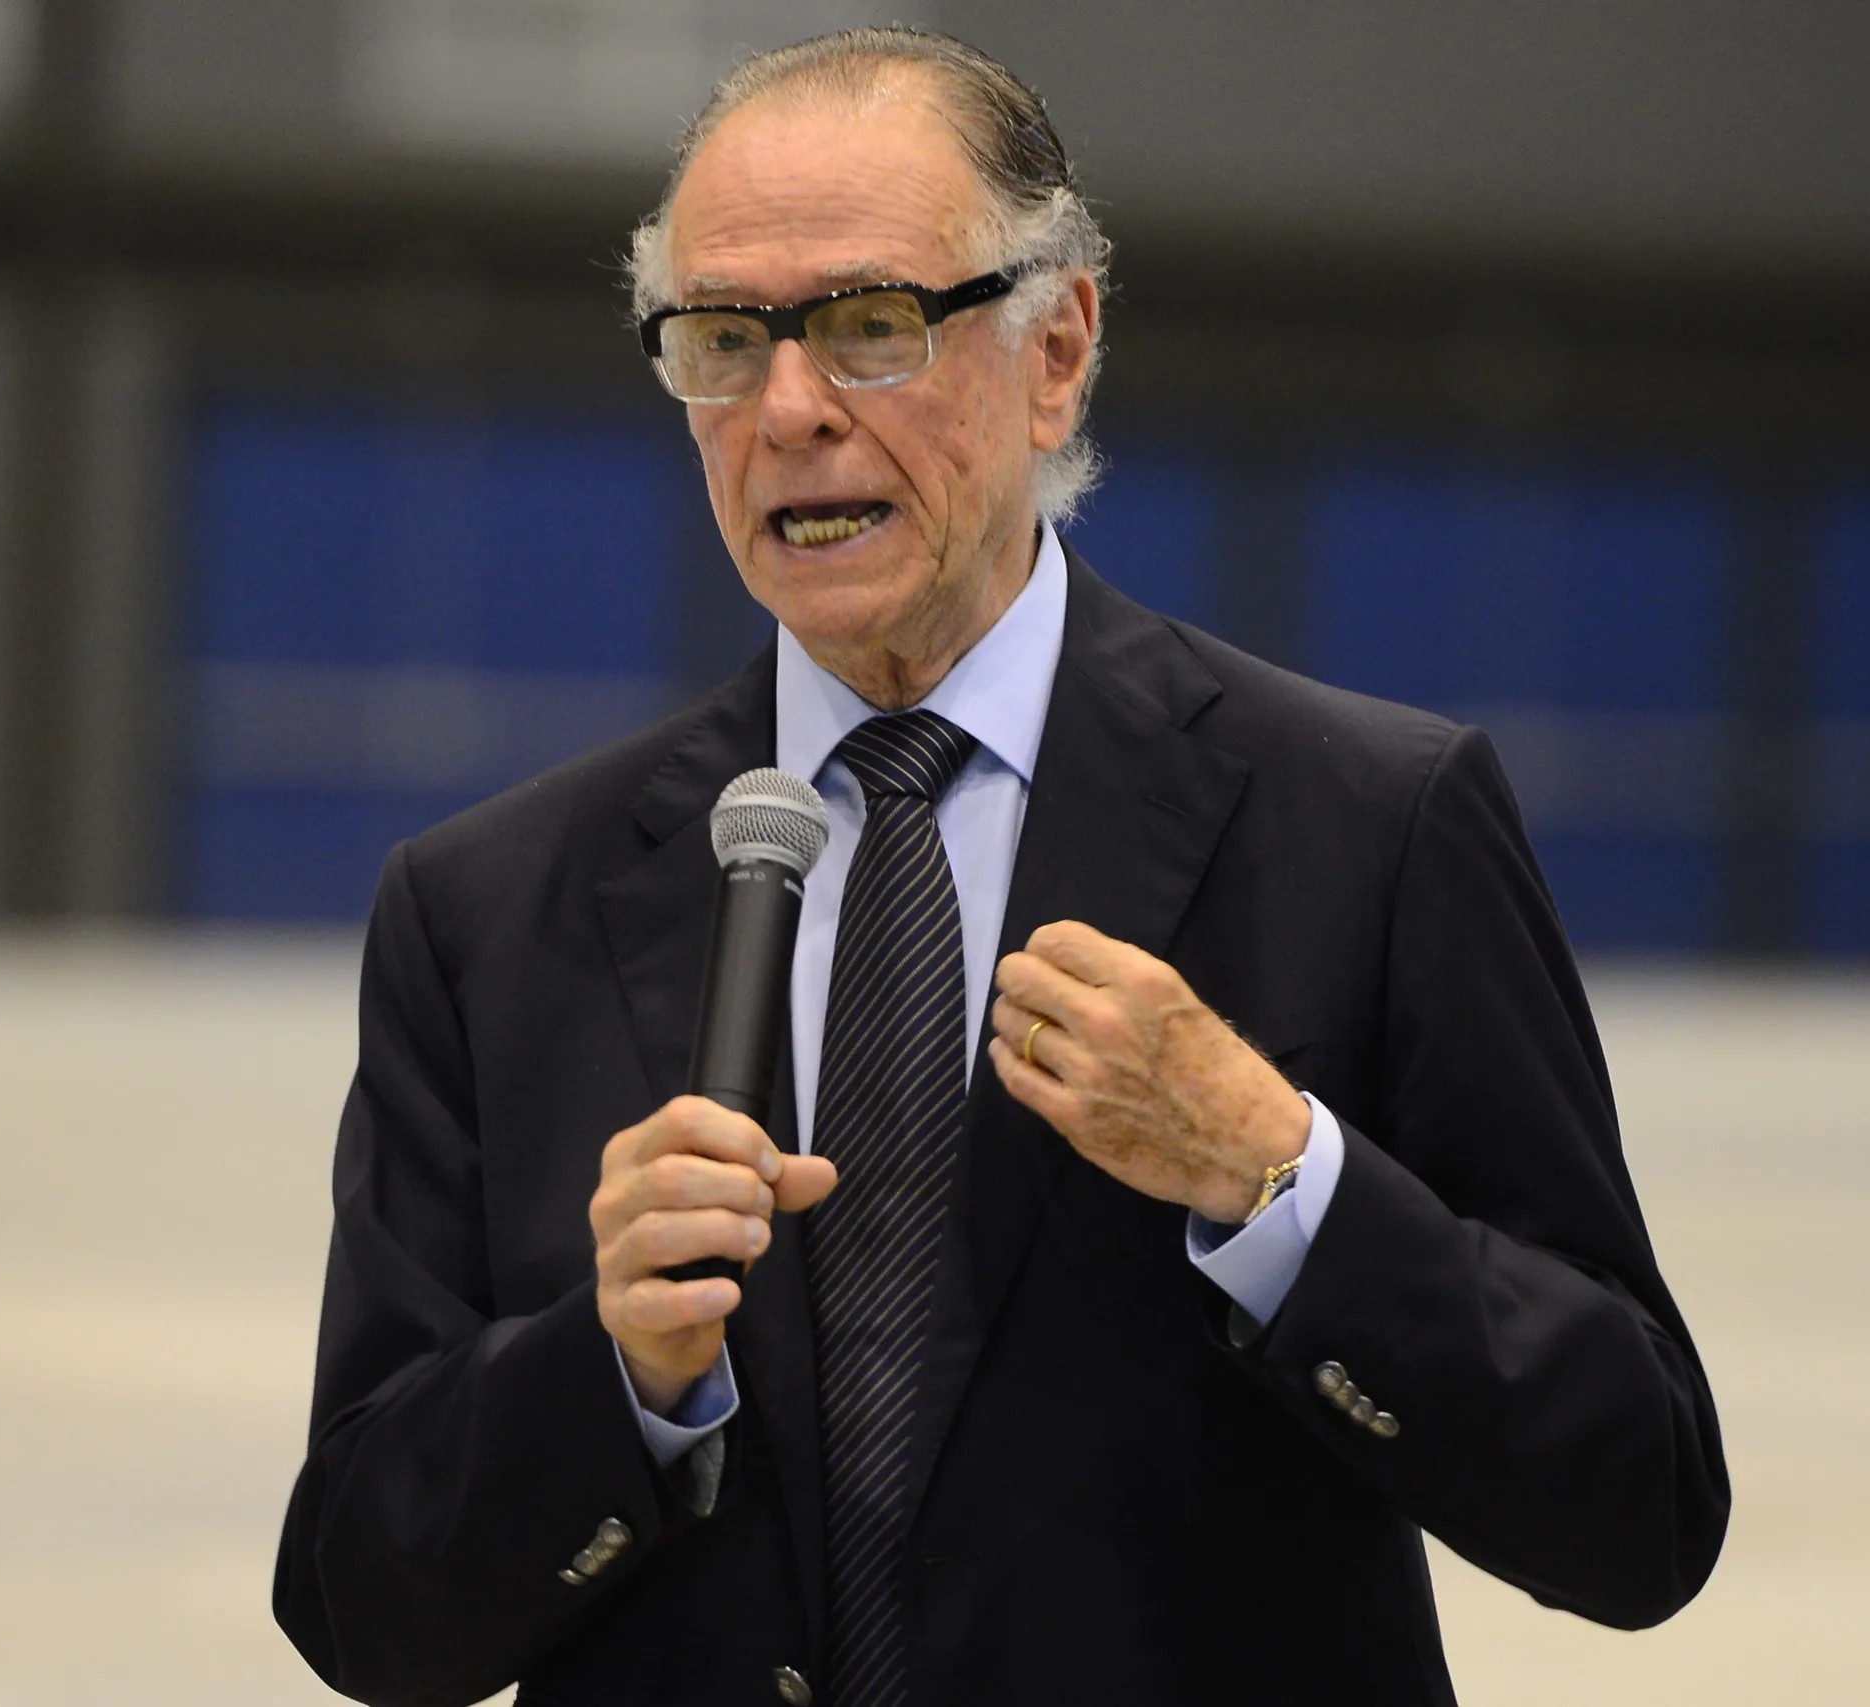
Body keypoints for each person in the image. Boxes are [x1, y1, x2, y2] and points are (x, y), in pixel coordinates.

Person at [274, 27, 1727, 1707]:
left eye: (875, 326)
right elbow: (363, 1609)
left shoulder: (1367, 823)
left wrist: (1282, 1181)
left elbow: (1640, 1505)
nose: (794, 410)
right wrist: (614, 1371)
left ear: (1058, 351)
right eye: (726, 341)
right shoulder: (488, 909)